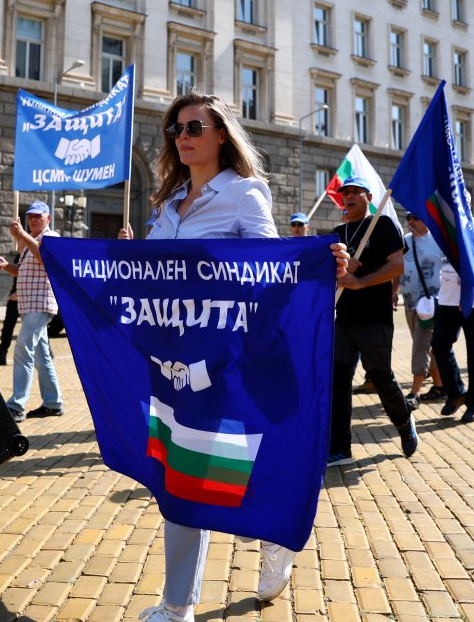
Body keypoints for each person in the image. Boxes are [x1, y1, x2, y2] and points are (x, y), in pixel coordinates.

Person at [117, 91, 348, 622]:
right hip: (173, 365)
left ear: (221, 134)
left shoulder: (245, 194)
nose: (184, 137)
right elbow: (148, 279)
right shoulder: (166, 204)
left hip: (230, 362)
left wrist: (317, 269)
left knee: (247, 466)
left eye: (195, 127)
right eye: (176, 129)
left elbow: (270, 271)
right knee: (182, 475)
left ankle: (275, 539)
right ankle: (178, 604)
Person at [329, 175, 419, 466]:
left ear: (369, 197)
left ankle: (403, 420)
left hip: (374, 318)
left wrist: (361, 281)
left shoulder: (382, 225)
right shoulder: (337, 232)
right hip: (342, 318)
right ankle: (340, 447)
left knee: (380, 376)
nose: (350, 197)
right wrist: (338, 273)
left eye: (356, 192)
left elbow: (397, 266)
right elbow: (327, 274)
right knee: (337, 380)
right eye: (346, 193)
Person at [0, 201, 64, 422]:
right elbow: (24, 270)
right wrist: (6, 266)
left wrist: (22, 235)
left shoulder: (50, 237)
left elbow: (43, 257)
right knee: (42, 357)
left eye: (38, 216)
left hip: (41, 305)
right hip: (29, 305)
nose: (33, 219)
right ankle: (53, 404)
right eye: (30, 217)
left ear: (48, 218)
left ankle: (17, 405)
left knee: (23, 350)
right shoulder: (29, 243)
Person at [432, 200, 474, 423]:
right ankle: (456, 392)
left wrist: (469, 292)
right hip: (447, 299)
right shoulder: (445, 231)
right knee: (439, 345)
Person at [399, 212, 444, 405]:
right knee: (427, 347)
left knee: (420, 345)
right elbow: (397, 268)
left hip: (431, 304)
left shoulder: (439, 241)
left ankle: (415, 391)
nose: (411, 221)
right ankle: (440, 385)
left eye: (415, 218)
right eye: (408, 218)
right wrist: (394, 292)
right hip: (409, 303)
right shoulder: (404, 242)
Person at [0, 251, 21, 366]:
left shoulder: (31, 251)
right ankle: (2, 355)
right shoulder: (21, 254)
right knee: (7, 327)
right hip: (14, 295)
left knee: (33, 329)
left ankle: (47, 355)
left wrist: (19, 293)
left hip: (24, 295)